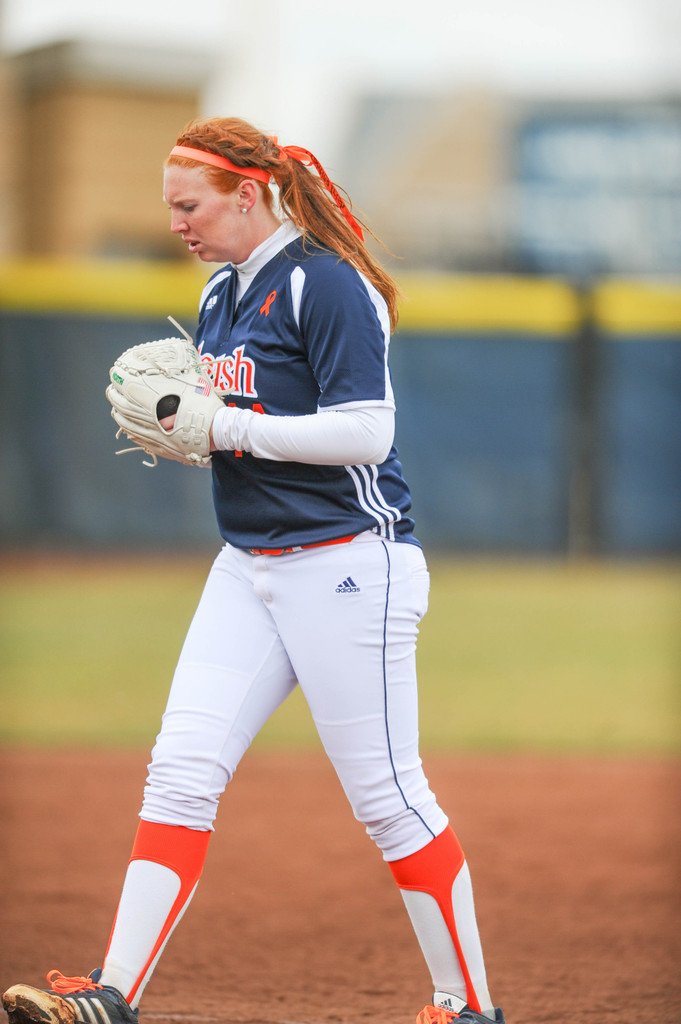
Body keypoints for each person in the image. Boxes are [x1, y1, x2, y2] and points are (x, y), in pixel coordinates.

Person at [2, 118, 505, 1024]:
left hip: (351, 563)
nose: (175, 224)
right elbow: (242, 432)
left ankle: (466, 1006)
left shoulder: (326, 283)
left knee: (390, 799)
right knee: (179, 772)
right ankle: (112, 996)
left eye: (188, 205)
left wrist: (222, 426)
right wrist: (190, 431)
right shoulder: (219, 296)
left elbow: (366, 433)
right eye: (169, 208)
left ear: (247, 194)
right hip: (248, 566)